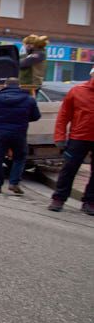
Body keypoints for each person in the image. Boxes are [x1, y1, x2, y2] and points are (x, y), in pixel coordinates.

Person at [0, 77, 41, 195]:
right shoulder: (29, 99)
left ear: (5, 85)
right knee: (19, 158)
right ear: (19, 86)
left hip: (0, 132)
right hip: (19, 132)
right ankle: (14, 183)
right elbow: (36, 116)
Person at [48, 67, 94, 214]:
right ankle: (59, 199)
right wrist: (60, 137)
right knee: (69, 169)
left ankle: (90, 202)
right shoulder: (77, 91)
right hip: (78, 138)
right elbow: (64, 116)